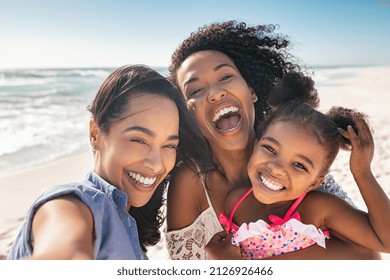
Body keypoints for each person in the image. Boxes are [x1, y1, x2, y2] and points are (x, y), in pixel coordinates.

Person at [165, 20, 380, 260]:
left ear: (252, 90)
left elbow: (369, 254)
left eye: (225, 76)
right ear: (186, 114)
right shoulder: (191, 182)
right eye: (195, 91)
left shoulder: (303, 159)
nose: (215, 93)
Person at [7, 64, 214, 260]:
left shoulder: (126, 221)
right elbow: (64, 245)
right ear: (95, 134)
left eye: (169, 146)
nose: (156, 164)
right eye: (138, 140)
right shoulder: (73, 204)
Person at [219, 72, 390, 259]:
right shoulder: (234, 201)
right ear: (255, 145)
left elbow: (385, 242)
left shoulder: (319, 208)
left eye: (299, 165)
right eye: (270, 148)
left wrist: (362, 173)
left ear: (315, 183)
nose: (276, 168)